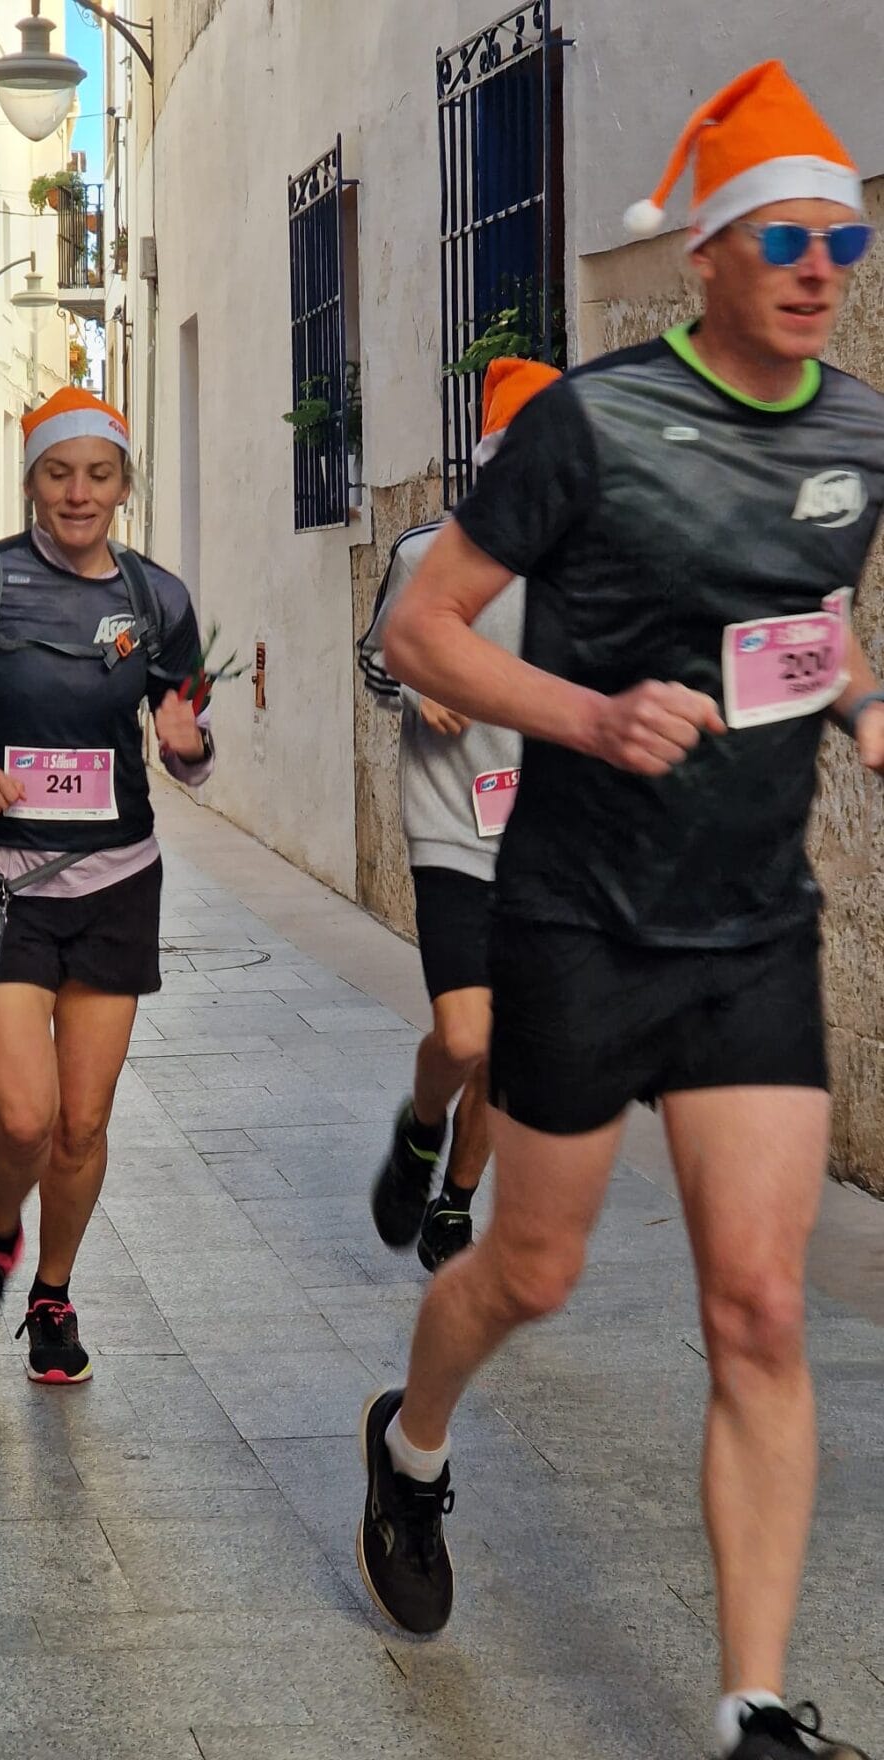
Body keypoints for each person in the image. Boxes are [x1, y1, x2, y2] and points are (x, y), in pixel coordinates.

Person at [358, 62, 884, 1760]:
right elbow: (424, 631)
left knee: (760, 1307)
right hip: (578, 916)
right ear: (709, 257)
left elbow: (810, 615)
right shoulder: (587, 422)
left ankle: (750, 1704)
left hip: (753, 931)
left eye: (847, 238)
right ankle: (411, 1449)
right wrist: (588, 716)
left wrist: (866, 712)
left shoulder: (861, 431)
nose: (822, 266)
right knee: (531, 1272)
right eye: (788, 236)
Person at [0, 388, 214, 1385]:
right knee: (21, 1115)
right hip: (0, 884)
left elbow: (186, 742)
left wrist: (189, 745)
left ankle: (51, 1291)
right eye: (60, 472)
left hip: (116, 883)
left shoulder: (158, 601)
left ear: (123, 485)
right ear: (32, 481)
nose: (79, 492)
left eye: (99, 474)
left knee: (82, 1122)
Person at [362, 358, 560, 1273]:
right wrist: (412, 684)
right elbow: (374, 662)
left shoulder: (592, 571)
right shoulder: (424, 556)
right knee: (468, 1034)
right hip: (453, 827)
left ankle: (455, 1204)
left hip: (554, 841)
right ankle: (423, 1122)